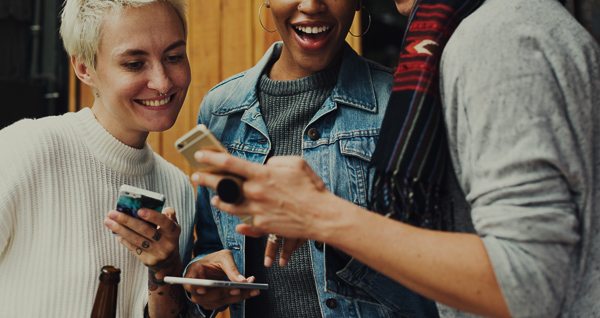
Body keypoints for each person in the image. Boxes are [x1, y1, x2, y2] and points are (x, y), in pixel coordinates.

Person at [189, 0, 600, 316]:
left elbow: (524, 281)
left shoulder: (498, 41)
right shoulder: (221, 108)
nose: (312, 4)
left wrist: (322, 218)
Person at [183, 0, 440, 317]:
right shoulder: (221, 111)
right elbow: (211, 244)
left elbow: (440, 286)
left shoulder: (400, 107)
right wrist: (202, 276)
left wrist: (333, 231)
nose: (311, 5)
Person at [0, 0, 197, 317]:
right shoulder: (26, 149)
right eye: (134, 64)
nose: (162, 82)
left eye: (174, 57)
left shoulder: (179, 186)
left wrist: (165, 267)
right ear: (84, 68)